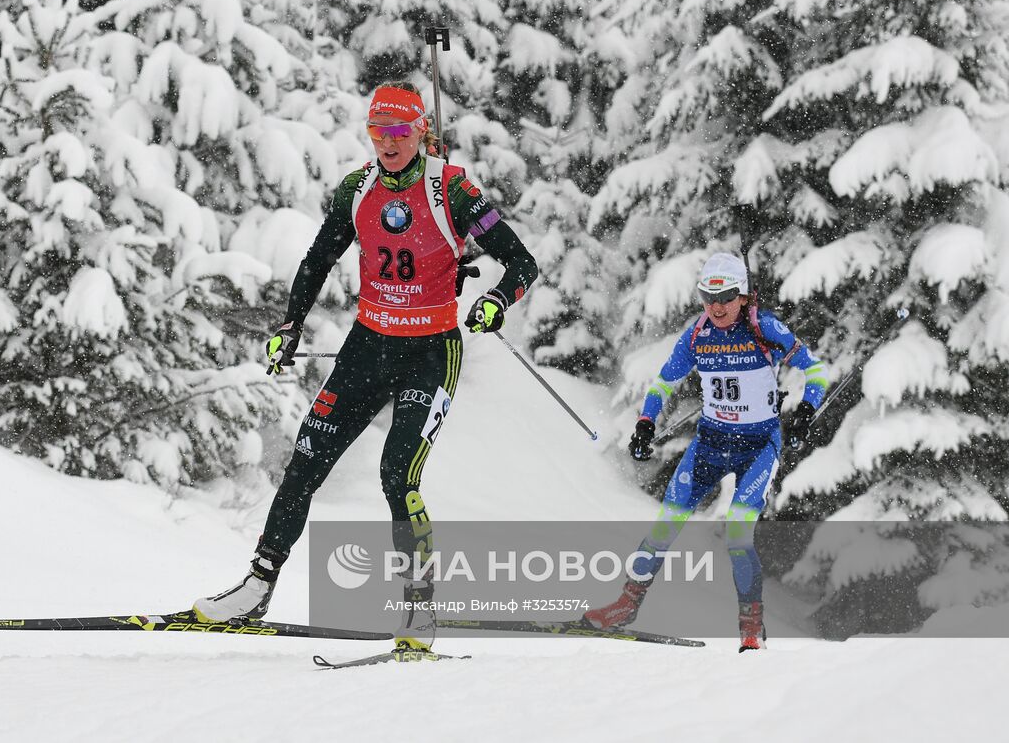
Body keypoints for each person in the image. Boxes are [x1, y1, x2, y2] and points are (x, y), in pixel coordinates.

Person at [193, 81, 539, 651]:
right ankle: (256, 586)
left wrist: (497, 301)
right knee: (304, 463)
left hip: (430, 354)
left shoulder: (452, 190)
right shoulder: (359, 190)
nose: (389, 143)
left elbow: (520, 261)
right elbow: (318, 259)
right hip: (368, 346)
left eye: (400, 132)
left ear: (420, 132)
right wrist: (289, 325)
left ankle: (419, 608)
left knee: (396, 475)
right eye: (379, 132)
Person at [581, 251, 828, 651]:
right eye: (707, 297)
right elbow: (663, 383)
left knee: (737, 534)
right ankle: (626, 606)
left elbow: (815, 370)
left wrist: (806, 409)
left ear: (743, 297)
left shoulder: (765, 329)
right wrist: (645, 423)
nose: (716, 306)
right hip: (710, 446)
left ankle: (751, 628)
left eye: (726, 297)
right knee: (664, 527)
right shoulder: (698, 335)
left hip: (758, 448)